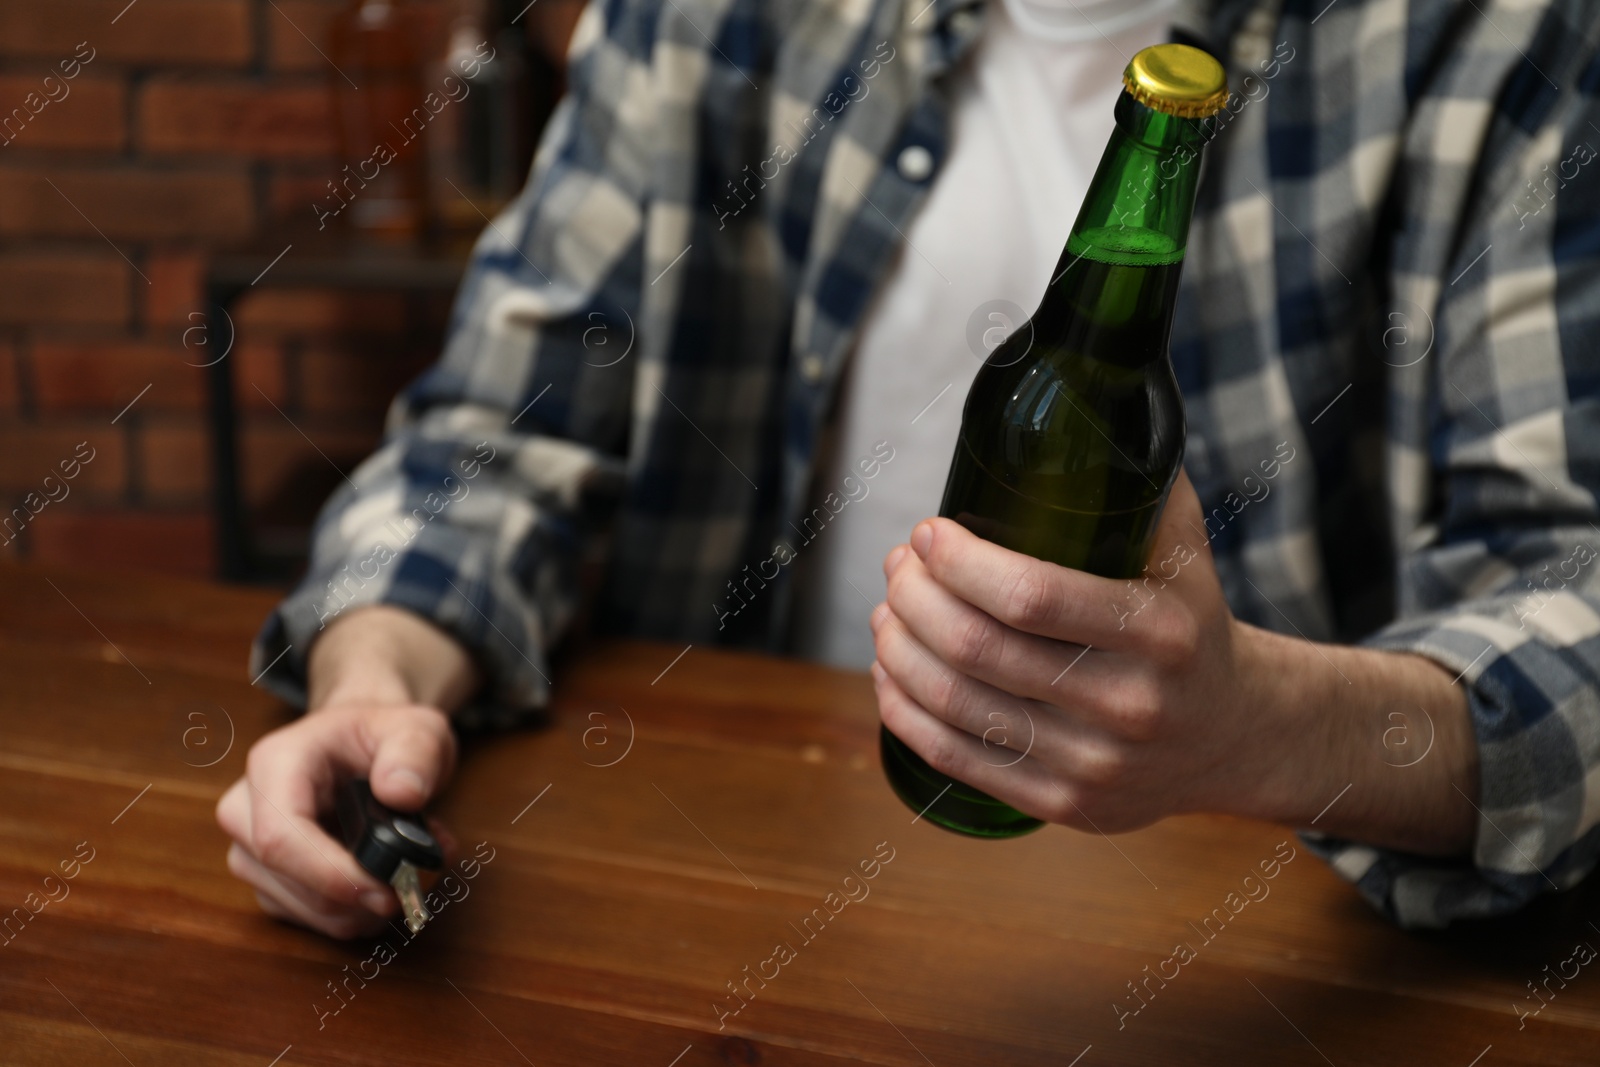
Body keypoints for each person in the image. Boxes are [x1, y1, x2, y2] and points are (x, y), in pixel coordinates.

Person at [215, 0, 1600, 938]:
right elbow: (500, 426)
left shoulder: (1505, 40)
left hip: (1244, 933)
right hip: (722, 874)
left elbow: (1577, 594)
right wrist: (376, 682)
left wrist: (1267, 725)